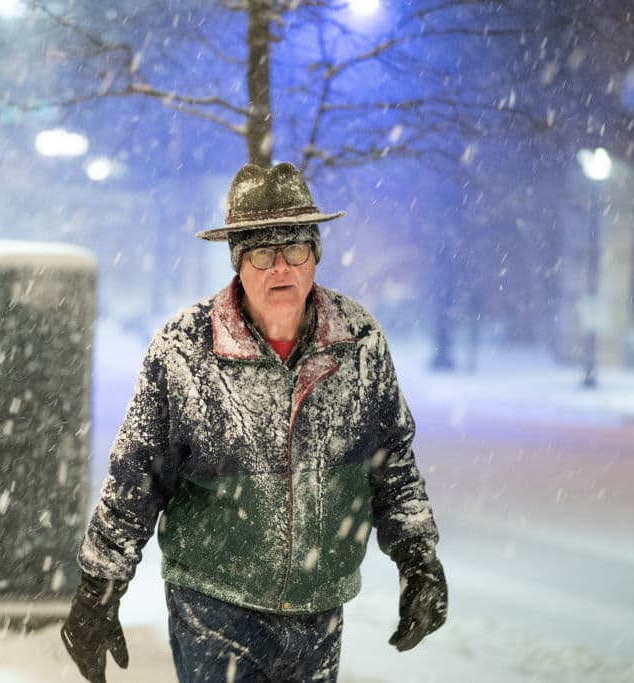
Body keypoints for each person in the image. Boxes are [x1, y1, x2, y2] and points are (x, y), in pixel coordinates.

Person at [61, 162, 447, 682]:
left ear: (316, 256)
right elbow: (136, 476)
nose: (280, 268)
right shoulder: (184, 349)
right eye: (262, 253)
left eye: (295, 249)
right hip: (216, 606)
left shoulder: (360, 341)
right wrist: (98, 588)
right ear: (238, 263)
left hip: (320, 606)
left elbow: (392, 461)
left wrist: (417, 558)